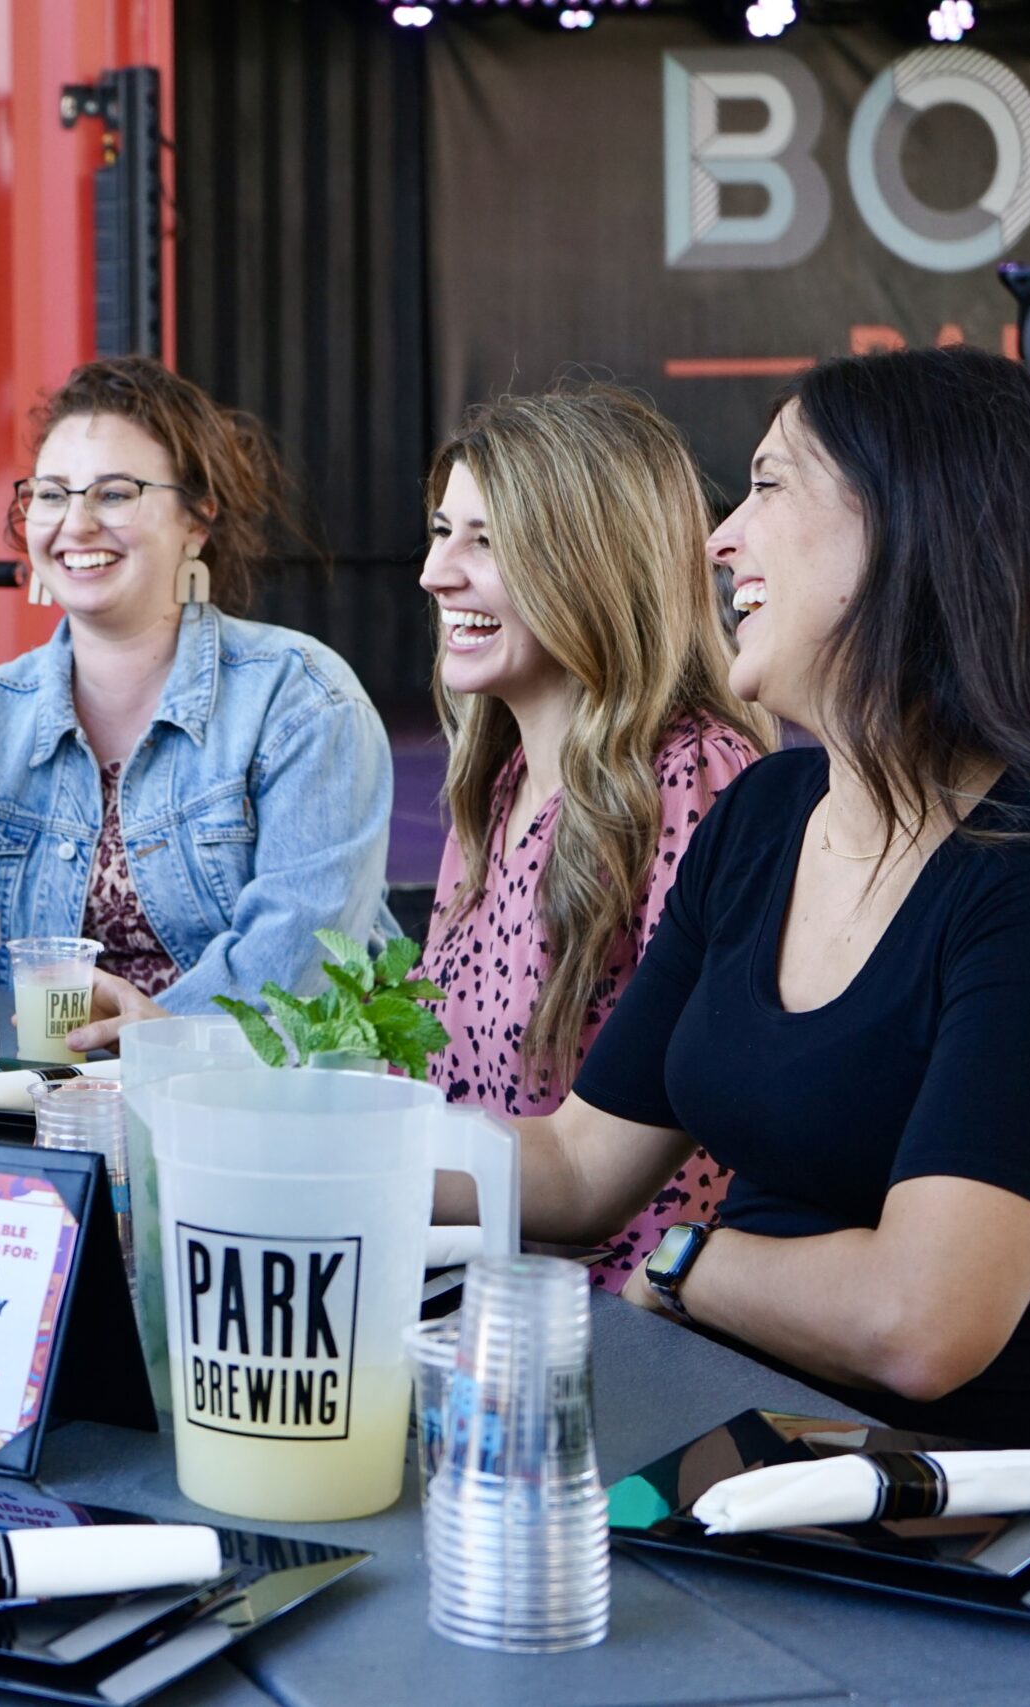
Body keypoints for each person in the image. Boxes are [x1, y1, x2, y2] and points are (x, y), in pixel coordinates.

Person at [440, 346, 1030, 1447]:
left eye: (769, 483)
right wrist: (276, 1139)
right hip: (738, 1439)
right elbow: (578, 1164)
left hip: (952, 1527)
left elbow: (921, 1320)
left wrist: (684, 1264)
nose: (716, 537)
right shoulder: (770, 813)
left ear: (911, 525)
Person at [0, 356, 392, 1044]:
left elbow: (298, 968)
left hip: (246, 1113)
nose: (73, 524)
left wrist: (146, 1040)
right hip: (38, 1106)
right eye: (50, 494)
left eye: (113, 494)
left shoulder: (303, 702)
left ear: (197, 519)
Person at [415, 387, 770, 1288]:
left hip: (624, 1330)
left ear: (591, 563)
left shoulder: (692, 772)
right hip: (471, 1291)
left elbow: (705, 1119)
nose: (435, 573)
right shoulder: (493, 782)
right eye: (440, 529)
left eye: (486, 541)